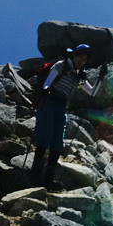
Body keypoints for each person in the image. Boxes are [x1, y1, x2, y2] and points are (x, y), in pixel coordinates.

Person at [31, 43, 100, 189]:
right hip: (49, 101)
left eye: (85, 58)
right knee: (46, 133)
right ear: (74, 55)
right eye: (80, 56)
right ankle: (35, 173)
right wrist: (46, 89)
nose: (82, 60)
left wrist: (101, 78)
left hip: (61, 107)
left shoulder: (79, 75)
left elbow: (92, 92)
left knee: (57, 140)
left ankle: (49, 177)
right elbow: (49, 81)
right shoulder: (61, 65)